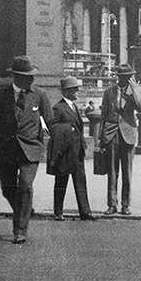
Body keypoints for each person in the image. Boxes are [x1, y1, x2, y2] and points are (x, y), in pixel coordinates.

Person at [0, 54, 50, 243]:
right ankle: (24, 209)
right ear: (16, 77)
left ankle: (20, 231)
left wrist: (57, 139)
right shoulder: (1, 94)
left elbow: (50, 121)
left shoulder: (40, 95)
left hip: (31, 149)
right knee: (7, 188)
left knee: (25, 186)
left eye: (32, 76)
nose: (32, 79)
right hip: (7, 149)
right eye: (28, 76)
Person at [47, 74, 95, 221]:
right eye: (74, 89)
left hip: (77, 151)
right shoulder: (58, 108)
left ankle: (85, 212)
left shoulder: (74, 106)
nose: (77, 92)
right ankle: (58, 212)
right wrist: (68, 129)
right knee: (61, 182)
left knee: (80, 182)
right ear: (67, 91)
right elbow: (52, 127)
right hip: (65, 152)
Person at [99, 67, 141, 214]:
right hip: (111, 134)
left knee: (127, 172)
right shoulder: (109, 92)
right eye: (124, 76)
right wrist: (101, 138)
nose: (126, 79)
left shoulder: (133, 92)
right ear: (119, 77)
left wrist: (135, 90)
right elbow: (103, 115)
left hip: (128, 135)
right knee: (112, 171)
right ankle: (112, 204)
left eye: (129, 76)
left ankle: (125, 204)